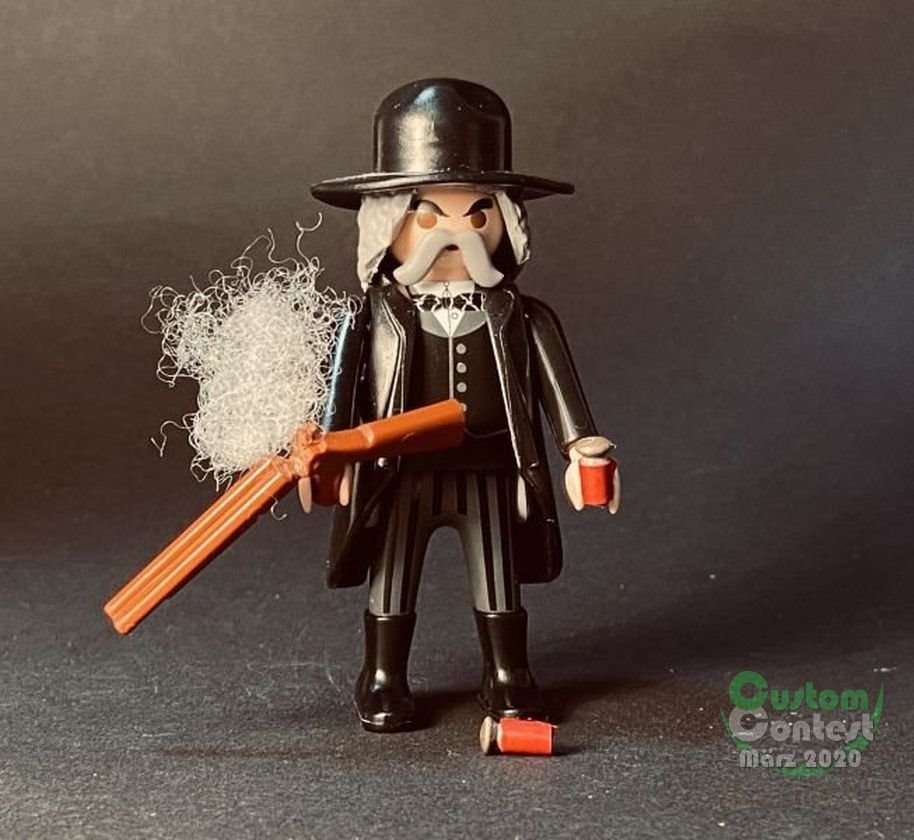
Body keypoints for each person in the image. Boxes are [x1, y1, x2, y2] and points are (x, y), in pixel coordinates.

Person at [306, 78, 620, 732]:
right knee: (393, 574)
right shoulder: (369, 319)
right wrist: (328, 458)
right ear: (387, 224)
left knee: (498, 575)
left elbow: (558, 388)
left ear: (506, 224)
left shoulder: (523, 317)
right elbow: (340, 396)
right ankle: (383, 675)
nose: (455, 235)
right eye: (428, 216)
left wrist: (581, 447)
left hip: (492, 471)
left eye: (477, 216)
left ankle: (507, 673)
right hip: (399, 474)